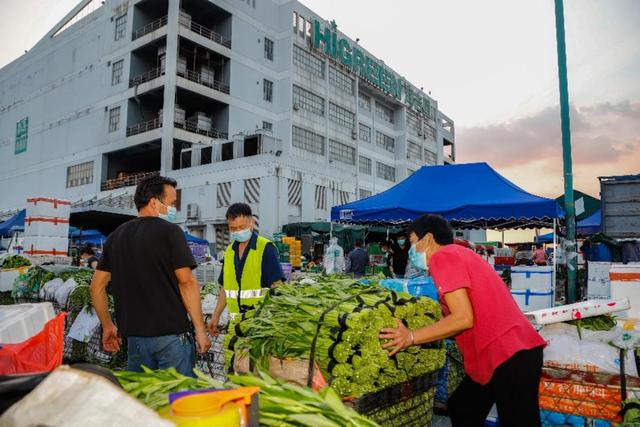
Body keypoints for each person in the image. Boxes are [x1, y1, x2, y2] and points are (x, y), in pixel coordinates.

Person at [379, 215, 546, 427]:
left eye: (412, 243)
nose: (410, 250)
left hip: (509, 353)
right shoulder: (459, 255)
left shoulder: (443, 257)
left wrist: (411, 337)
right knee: (463, 407)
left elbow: (463, 318)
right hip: (498, 353)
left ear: (428, 238)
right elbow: (462, 314)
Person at [90, 175, 211, 377]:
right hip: (171, 338)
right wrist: (200, 330)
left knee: (144, 402)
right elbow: (187, 282)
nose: (174, 209)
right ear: (154, 202)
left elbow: (96, 287)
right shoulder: (171, 232)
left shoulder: (116, 236)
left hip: (135, 340)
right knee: (176, 400)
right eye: (172, 203)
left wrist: (108, 325)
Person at [209, 203, 285, 335]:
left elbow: (277, 286)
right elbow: (225, 288)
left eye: (241, 227)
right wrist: (216, 315)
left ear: (252, 223)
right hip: (236, 324)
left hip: (260, 325)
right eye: (233, 229)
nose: (238, 231)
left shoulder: (265, 248)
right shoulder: (229, 251)